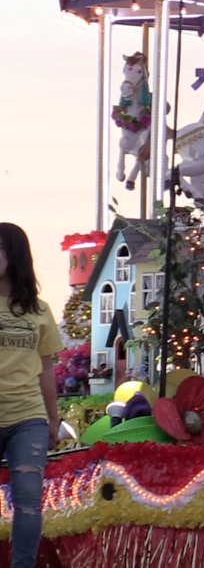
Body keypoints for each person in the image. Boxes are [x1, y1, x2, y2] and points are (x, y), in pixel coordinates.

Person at [0, 223, 63, 568]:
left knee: (28, 501)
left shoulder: (39, 311)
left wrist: (53, 420)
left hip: (28, 419)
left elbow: (46, 369)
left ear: (16, 254)